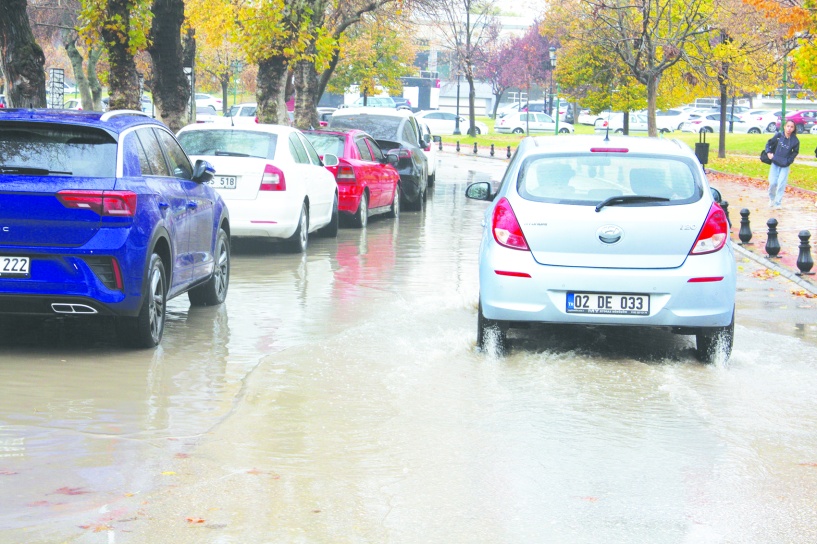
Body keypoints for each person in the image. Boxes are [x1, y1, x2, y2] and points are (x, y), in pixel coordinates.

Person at [765, 119, 799, 208]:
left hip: (785, 165)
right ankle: (772, 198)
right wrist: (769, 153)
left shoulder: (795, 140)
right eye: (788, 126)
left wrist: (789, 160)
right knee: (773, 183)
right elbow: (768, 144)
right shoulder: (778, 136)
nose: (789, 129)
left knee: (781, 184)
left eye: (791, 127)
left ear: (794, 129)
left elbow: (795, 152)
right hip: (775, 163)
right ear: (784, 127)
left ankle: (778, 203)